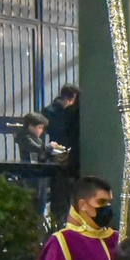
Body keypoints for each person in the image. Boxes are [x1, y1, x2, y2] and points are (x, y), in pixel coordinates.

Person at [43, 85, 82, 223]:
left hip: (64, 158)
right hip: (70, 158)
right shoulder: (73, 114)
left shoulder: (59, 112)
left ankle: (59, 222)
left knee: (61, 196)